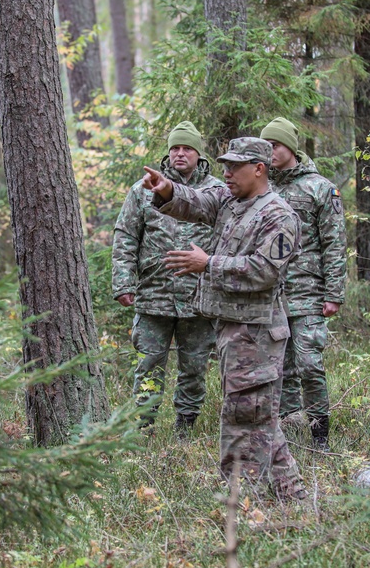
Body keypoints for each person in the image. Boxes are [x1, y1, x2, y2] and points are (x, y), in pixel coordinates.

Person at [141, 137, 307, 501]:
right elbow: (197, 201)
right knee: (257, 415)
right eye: (224, 165)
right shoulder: (232, 202)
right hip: (232, 327)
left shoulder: (278, 215)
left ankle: (240, 499)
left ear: (260, 169)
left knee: (243, 416)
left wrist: (208, 264)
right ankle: (291, 495)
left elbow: (264, 271)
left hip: (257, 333)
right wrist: (168, 189)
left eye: (235, 166)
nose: (226, 173)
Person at [112, 121, 223, 434]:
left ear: (198, 154)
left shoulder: (216, 191)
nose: (180, 153)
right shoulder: (144, 189)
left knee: (194, 365)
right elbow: (125, 236)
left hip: (199, 297)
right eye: (175, 147)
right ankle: (144, 427)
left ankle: (185, 427)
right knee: (149, 362)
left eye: (187, 148)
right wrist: (123, 282)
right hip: (154, 294)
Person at [261, 117, 346, 450]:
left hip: (308, 292)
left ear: (291, 148)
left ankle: (320, 434)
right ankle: (286, 430)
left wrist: (334, 293)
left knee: (309, 364)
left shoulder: (319, 188)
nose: (270, 152)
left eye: (276, 145)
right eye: (265, 146)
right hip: (268, 294)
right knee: (276, 367)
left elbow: (334, 243)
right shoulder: (261, 186)